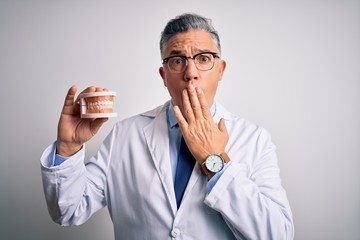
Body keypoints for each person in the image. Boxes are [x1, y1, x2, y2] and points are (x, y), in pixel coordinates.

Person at [40, 13, 294, 239]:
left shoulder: (255, 139)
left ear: (221, 70)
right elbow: (68, 210)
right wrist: (68, 146)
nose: (190, 72)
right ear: (163, 75)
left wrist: (215, 161)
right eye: (177, 61)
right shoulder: (125, 135)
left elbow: (277, 234)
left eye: (204, 58)